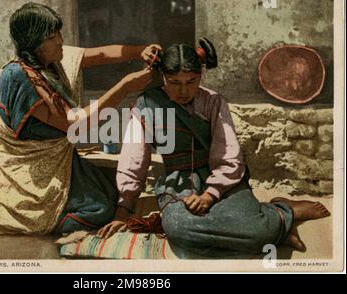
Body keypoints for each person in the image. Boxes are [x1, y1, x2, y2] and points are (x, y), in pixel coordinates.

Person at [0, 2, 161, 242]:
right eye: (52, 37)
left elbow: (99, 54)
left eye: (59, 34)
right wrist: (125, 87)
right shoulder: (19, 78)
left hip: (59, 162)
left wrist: (140, 50)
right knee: (100, 211)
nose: (59, 41)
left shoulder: (49, 63)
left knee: (112, 190)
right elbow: (73, 124)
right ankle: (39, 218)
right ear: (35, 43)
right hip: (33, 176)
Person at [97, 41, 330, 257]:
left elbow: (229, 155)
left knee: (255, 231)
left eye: (191, 82)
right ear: (162, 76)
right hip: (179, 185)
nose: (183, 91)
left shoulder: (212, 101)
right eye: (174, 83)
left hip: (221, 180)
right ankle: (273, 225)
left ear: (201, 76)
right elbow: (133, 160)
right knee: (180, 228)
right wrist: (123, 210)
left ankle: (281, 212)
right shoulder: (147, 106)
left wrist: (210, 195)